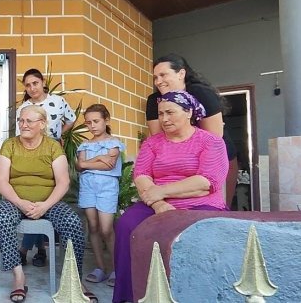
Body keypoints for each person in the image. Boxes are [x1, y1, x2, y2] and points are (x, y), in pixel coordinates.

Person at [112, 91, 228, 303]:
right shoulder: (152, 143)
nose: (164, 119)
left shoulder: (211, 142)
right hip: (155, 202)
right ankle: (129, 295)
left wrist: (161, 191)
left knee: (197, 233)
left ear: (188, 112)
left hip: (200, 204)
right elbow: (142, 176)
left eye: (170, 112)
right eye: (161, 114)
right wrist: (158, 204)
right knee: (127, 224)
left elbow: (206, 183)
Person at [0, 105, 95, 303]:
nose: (23, 125)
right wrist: (21, 202)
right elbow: (1, 181)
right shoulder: (9, 145)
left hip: (49, 202)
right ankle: (19, 277)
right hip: (16, 201)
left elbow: (63, 182)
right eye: (21, 121)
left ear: (42, 124)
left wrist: (45, 206)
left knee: (73, 222)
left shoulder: (52, 146)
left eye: (29, 121)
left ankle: (74, 278)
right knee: (0, 217)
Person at [146, 53, 238, 209]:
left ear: (181, 73)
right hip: (174, 163)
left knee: (213, 210)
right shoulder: (154, 101)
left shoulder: (200, 92)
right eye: (155, 77)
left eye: (163, 75)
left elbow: (215, 137)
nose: (158, 81)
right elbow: (157, 140)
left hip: (215, 159)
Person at [15, 68, 77, 267]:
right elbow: (22, 133)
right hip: (33, 155)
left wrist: (59, 136)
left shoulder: (58, 101)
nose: (32, 88)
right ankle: (40, 251)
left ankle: (25, 250)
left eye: (35, 83)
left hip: (54, 155)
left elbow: (72, 118)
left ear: (43, 83)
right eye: (28, 85)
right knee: (36, 198)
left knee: (47, 199)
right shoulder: (23, 107)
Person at [76, 104, 124, 288]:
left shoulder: (114, 142)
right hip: (87, 186)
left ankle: (116, 268)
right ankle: (100, 267)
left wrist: (86, 163)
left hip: (107, 187)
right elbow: (79, 166)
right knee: (93, 227)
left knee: (106, 229)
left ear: (106, 120)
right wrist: (97, 159)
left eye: (96, 121)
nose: (92, 126)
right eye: (88, 123)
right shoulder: (84, 144)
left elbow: (109, 165)